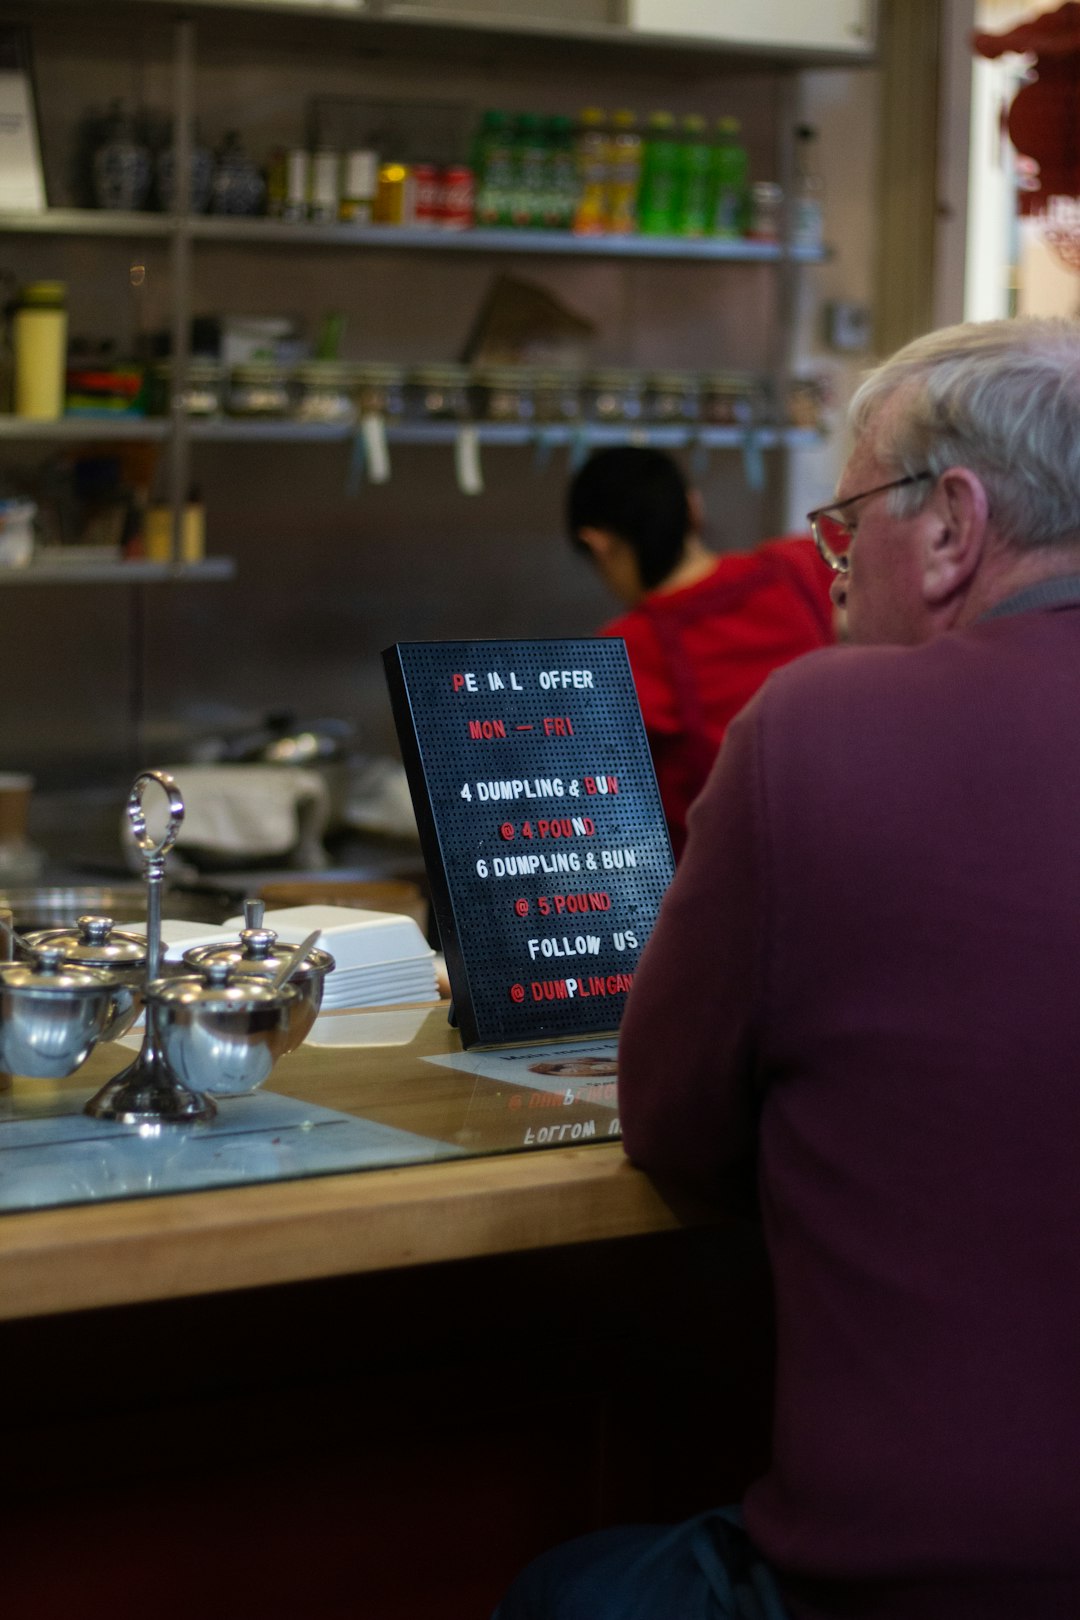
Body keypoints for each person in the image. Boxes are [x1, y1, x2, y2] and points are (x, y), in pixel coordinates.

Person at [495, 316, 1080, 1619]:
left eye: (845, 524)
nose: (829, 575)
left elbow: (676, 1127)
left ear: (950, 527)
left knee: (564, 1593)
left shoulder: (821, 724)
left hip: (925, 1580)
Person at [566, 446, 834, 857]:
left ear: (599, 544)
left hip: (720, 892)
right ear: (694, 508)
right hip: (834, 849)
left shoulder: (626, 651)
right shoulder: (796, 563)